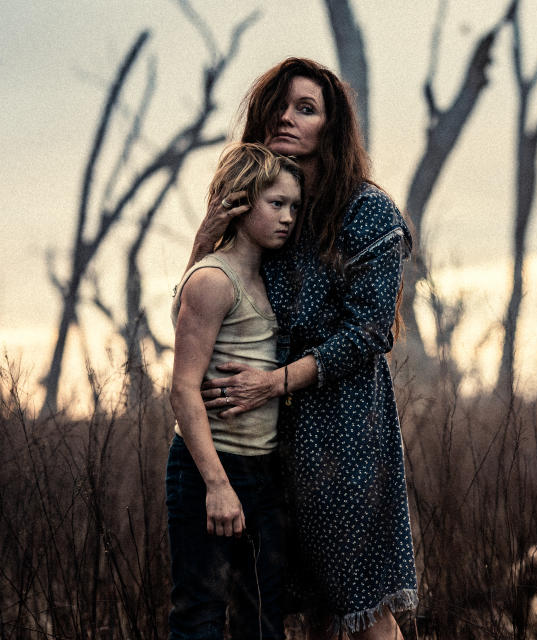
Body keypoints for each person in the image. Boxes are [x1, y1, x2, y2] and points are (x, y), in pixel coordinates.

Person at [186, 58, 417, 639]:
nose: (287, 118)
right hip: (264, 437)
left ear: (330, 127)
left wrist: (277, 380)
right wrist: (206, 235)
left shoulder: (366, 212)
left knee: (358, 601)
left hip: (343, 430)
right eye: (280, 106)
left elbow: (370, 333)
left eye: (306, 109)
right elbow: (197, 310)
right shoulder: (263, 205)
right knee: (296, 602)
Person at [168, 143, 302, 640]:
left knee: (262, 621)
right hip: (209, 468)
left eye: (293, 206)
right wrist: (218, 487)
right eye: (276, 204)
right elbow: (183, 390)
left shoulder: (270, 278)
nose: (288, 217)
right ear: (243, 201)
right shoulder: (212, 279)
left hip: (261, 472)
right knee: (199, 617)